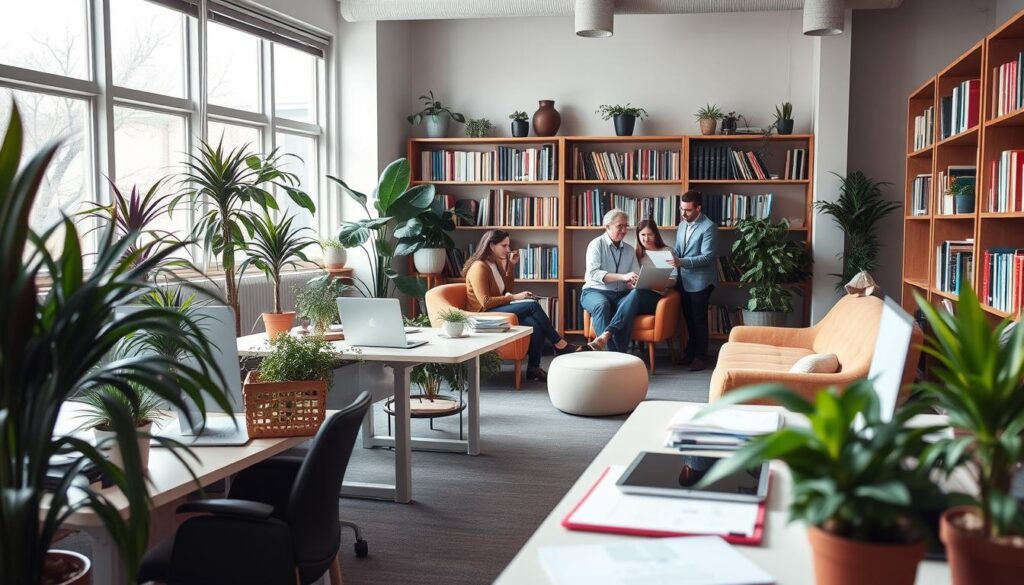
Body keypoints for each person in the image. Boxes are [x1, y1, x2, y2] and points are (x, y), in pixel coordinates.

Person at [463, 229, 585, 382]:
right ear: (491, 245)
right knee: (532, 305)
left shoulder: (495, 264)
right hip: (483, 314)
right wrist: (516, 297)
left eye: (508, 245)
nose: (508, 249)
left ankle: (533, 369)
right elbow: (485, 302)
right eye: (504, 246)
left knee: (535, 325)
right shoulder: (479, 267)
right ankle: (559, 343)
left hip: (495, 309)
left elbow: (506, 290)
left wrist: (511, 266)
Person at [581, 209, 642, 352]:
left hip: (620, 294)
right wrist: (623, 277)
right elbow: (594, 274)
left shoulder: (629, 250)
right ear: (607, 226)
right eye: (619, 226)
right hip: (594, 292)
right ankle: (610, 355)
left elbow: (635, 274)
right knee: (602, 305)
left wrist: (633, 282)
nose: (624, 230)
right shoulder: (596, 245)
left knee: (632, 300)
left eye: (626, 226)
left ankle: (618, 351)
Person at [671, 190, 718, 371]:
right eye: (681, 209)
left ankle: (700, 356)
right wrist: (669, 254)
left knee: (699, 320)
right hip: (683, 278)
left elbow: (707, 257)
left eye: (688, 210)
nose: (683, 214)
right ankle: (690, 353)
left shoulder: (709, 227)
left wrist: (681, 262)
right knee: (688, 319)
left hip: (701, 281)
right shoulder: (682, 224)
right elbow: (678, 249)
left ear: (698, 208)